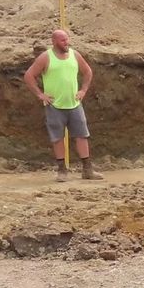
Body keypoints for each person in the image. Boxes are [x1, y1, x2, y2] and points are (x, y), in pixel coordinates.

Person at [22, 29, 102, 181]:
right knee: (57, 138)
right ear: (54, 42)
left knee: (82, 136)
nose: (67, 43)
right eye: (63, 40)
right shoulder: (46, 57)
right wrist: (40, 94)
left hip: (74, 104)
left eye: (67, 39)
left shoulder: (75, 55)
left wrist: (83, 90)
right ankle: (62, 170)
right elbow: (29, 76)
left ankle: (87, 170)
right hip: (55, 106)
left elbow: (88, 72)